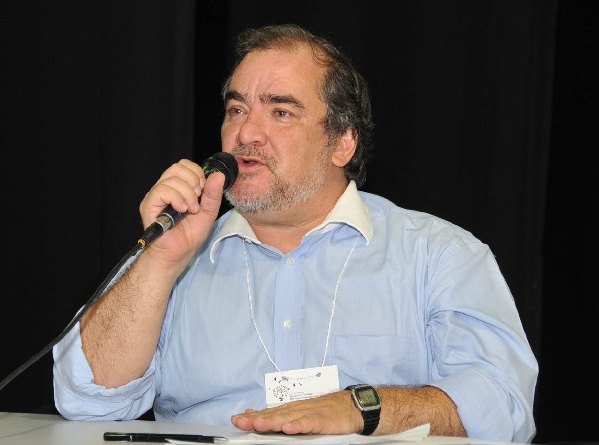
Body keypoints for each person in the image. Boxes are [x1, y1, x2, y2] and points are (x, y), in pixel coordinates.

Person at [52, 24, 538, 442]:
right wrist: (159, 263)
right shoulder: (177, 258)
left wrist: (362, 407)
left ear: (342, 143)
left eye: (280, 112)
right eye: (236, 110)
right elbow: (85, 401)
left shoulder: (439, 254)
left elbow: (504, 406)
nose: (246, 134)